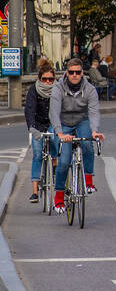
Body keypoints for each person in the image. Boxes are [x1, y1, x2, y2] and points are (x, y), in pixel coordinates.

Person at [49, 58, 105, 214]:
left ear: (82, 73)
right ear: (67, 73)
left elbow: (93, 112)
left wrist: (94, 130)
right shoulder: (58, 88)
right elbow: (53, 112)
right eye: (71, 72)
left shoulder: (90, 89)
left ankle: (88, 180)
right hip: (64, 123)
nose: (74, 75)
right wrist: (60, 133)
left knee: (87, 143)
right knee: (64, 160)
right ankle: (59, 195)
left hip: (82, 120)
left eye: (78, 72)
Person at [24, 62, 59, 203]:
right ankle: (34, 191)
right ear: (39, 78)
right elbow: (29, 109)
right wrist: (32, 127)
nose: (48, 82)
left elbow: (61, 109)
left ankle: (55, 162)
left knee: (55, 140)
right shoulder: (34, 89)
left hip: (52, 123)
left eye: (50, 79)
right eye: (45, 79)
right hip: (37, 124)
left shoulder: (58, 90)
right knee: (37, 154)